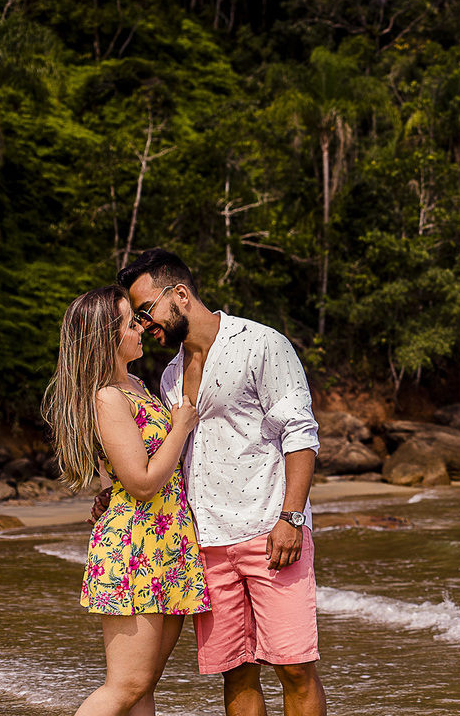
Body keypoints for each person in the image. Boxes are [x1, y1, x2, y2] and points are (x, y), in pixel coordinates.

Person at [107, 248, 327, 716]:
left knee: (294, 668)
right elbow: (169, 457)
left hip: (271, 533)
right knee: (236, 672)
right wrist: (115, 494)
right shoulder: (168, 376)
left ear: (180, 295)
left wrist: (290, 517)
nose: (145, 325)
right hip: (205, 544)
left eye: (147, 311)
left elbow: (300, 433)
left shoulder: (261, 344)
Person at [43, 285, 209, 716]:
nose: (141, 328)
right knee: (126, 684)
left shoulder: (133, 384)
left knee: (144, 685)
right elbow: (141, 482)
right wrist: (181, 427)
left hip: (166, 541)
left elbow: (130, 469)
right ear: (107, 337)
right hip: (135, 546)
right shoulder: (107, 397)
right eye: (130, 323)